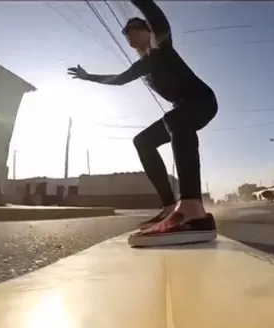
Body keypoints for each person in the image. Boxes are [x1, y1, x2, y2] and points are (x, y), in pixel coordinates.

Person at [68, 0, 218, 247]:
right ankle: (170, 206)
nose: (129, 35)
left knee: (175, 118)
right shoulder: (143, 65)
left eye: (135, 30)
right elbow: (118, 79)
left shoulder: (161, 47)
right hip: (182, 110)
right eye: (127, 34)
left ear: (148, 31)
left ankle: (192, 209)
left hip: (202, 101)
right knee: (143, 141)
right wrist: (88, 77)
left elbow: (155, 13)